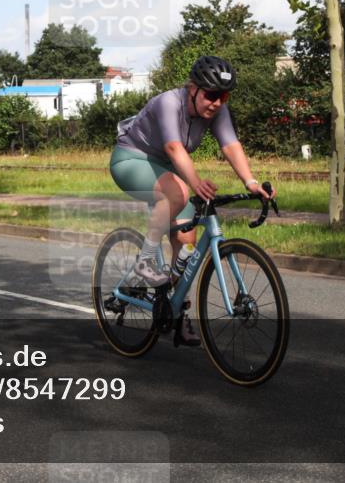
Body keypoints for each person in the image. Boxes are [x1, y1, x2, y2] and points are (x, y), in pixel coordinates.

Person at [109, 55, 275, 346]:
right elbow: (173, 147)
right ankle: (145, 260)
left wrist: (250, 181)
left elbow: (230, 145)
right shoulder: (168, 103)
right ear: (193, 88)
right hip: (131, 159)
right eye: (211, 95)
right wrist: (196, 183)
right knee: (179, 193)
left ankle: (175, 310)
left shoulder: (217, 110)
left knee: (186, 240)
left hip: (167, 169)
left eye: (223, 96)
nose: (217, 102)